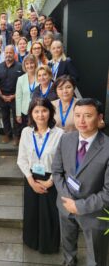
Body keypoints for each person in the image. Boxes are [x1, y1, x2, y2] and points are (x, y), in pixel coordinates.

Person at [52, 98, 109, 266]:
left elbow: (108, 192)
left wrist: (79, 206)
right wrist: (67, 200)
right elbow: (56, 172)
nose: (81, 121)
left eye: (87, 116)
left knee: (96, 255)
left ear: (99, 118)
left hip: (94, 213)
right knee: (67, 245)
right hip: (65, 204)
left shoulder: (107, 147)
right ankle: (69, 261)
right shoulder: (66, 139)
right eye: (77, 115)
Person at [17, 98, 64, 254]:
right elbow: (22, 159)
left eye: (44, 110)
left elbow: (62, 162)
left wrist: (50, 182)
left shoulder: (59, 134)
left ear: (50, 112)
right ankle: (32, 241)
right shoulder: (26, 132)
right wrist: (31, 181)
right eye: (36, 111)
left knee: (49, 214)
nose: (40, 115)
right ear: (31, 113)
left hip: (51, 178)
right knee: (32, 212)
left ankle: (48, 245)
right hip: (31, 176)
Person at [0, 45, 23, 145]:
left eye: (10, 52)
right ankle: (8, 134)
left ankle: (17, 136)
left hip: (16, 97)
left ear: (14, 54)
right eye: (6, 52)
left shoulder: (20, 66)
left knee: (17, 118)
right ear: (4, 54)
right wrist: (2, 96)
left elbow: (22, 84)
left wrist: (14, 95)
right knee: (5, 117)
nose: (8, 55)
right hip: (2, 97)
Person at [16, 54, 38, 128]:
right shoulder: (20, 79)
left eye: (32, 63)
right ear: (24, 65)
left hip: (38, 110)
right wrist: (18, 114)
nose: (29, 65)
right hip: (25, 111)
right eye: (27, 64)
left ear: (35, 64)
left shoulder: (40, 77)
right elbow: (18, 97)